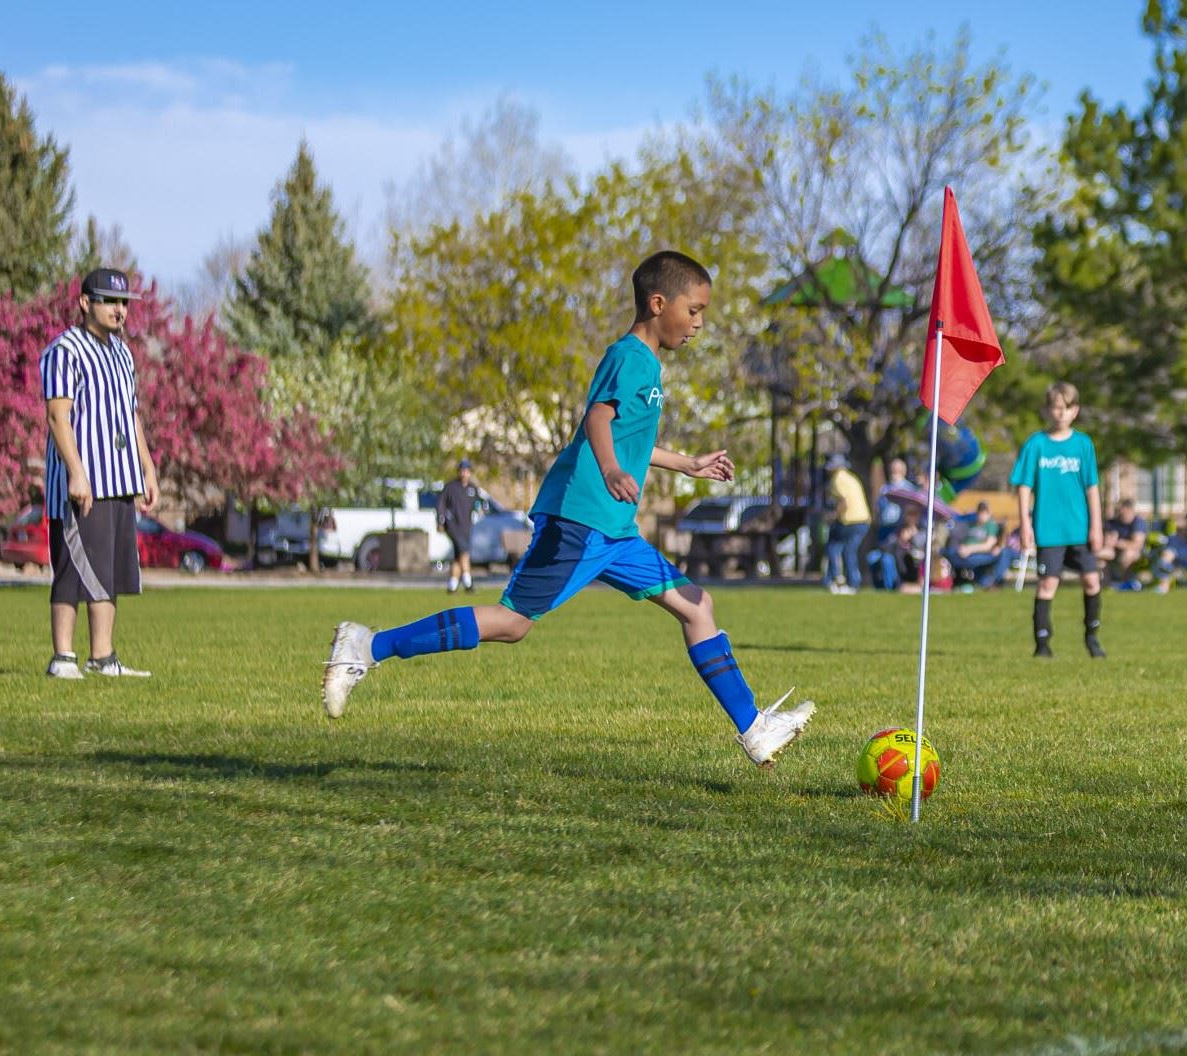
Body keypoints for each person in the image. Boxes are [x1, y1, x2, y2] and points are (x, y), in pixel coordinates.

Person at [322, 251, 815, 768]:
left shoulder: (648, 367)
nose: (699, 323)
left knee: (697, 605)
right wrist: (608, 470)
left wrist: (687, 464)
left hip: (615, 530)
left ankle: (754, 728)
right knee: (512, 623)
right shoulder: (628, 357)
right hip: (581, 521)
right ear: (657, 302)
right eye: (694, 310)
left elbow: (629, 438)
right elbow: (597, 422)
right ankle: (368, 646)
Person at [39, 268, 159, 679]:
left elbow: (131, 413)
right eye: (110, 301)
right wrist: (75, 471)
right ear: (86, 303)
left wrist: (147, 467)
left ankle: (104, 658)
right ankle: (63, 657)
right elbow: (58, 415)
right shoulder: (65, 350)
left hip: (119, 479)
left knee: (109, 570)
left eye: (123, 303)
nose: (119, 310)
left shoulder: (122, 353)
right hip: (83, 482)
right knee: (74, 568)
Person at [1010, 381, 1106, 659]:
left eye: (1066, 408)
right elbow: (1024, 487)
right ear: (1047, 410)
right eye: (1055, 408)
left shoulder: (1083, 445)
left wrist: (1096, 526)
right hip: (1049, 529)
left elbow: (1092, 488)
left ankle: (1092, 637)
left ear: (1075, 411)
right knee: (1047, 584)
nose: (1060, 413)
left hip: (1079, 528)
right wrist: (1025, 524)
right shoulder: (1036, 445)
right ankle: (1042, 643)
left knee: (1091, 580)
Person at [823, 453, 871, 595]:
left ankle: (845, 581)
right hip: (861, 520)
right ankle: (839, 579)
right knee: (844, 549)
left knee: (839, 548)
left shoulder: (838, 479)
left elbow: (844, 502)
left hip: (852, 521)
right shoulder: (851, 477)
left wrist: (833, 516)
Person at [943, 501, 1016, 589]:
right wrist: (961, 547)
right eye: (980, 512)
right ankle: (951, 581)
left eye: (984, 513)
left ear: (989, 513)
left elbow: (988, 545)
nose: (981, 515)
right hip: (962, 552)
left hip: (979, 554)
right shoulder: (972, 524)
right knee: (945, 552)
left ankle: (990, 582)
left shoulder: (991, 525)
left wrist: (969, 549)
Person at [436, 458, 481, 593]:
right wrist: (440, 521)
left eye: (467, 471)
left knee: (458, 556)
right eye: (462, 470)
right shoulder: (451, 487)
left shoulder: (472, 488)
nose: (464, 473)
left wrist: (480, 510)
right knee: (464, 552)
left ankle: (452, 585)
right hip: (453, 526)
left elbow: (478, 504)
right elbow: (441, 505)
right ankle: (468, 583)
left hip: (466, 526)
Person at [1099, 498, 1148, 590]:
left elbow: (1137, 545)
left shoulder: (1138, 522)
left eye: (1122, 509)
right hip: (1114, 551)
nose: (1120, 512)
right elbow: (1107, 540)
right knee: (1100, 554)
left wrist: (1117, 543)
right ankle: (1105, 584)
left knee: (1127, 554)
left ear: (1130, 510)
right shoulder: (1113, 522)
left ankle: (1123, 582)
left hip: (1135, 553)